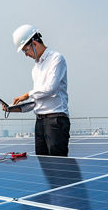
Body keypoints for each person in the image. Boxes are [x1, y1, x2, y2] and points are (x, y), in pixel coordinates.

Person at [4, 24, 70, 156]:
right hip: (40, 123)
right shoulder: (36, 68)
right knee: (44, 166)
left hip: (55, 121)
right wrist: (14, 108)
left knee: (58, 167)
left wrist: (27, 94)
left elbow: (51, 89)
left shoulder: (56, 59)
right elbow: (37, 100)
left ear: (34, 43)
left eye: (25, 50)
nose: (26, 55)